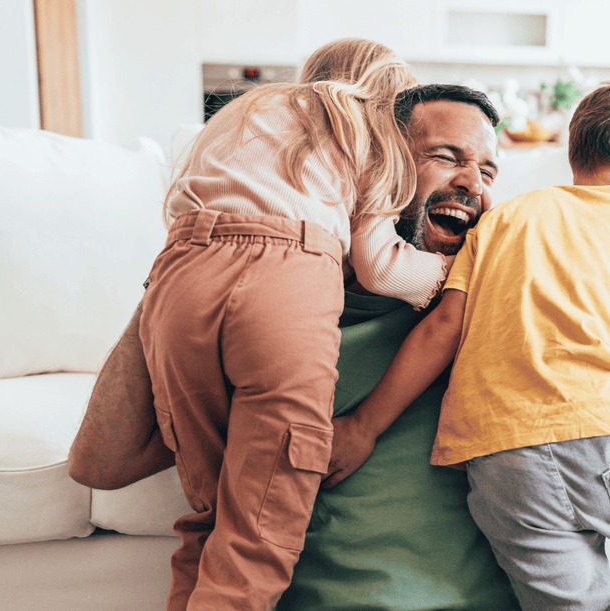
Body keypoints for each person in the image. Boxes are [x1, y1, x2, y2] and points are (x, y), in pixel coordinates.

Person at [68, 74, 610, 611]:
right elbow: (104, 462)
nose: (474, 183)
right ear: (371, 165)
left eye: (487, 167)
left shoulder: (500, 283)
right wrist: (190, 264)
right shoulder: (287, 310)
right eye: (446, 156)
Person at [325, 80, 610, 611]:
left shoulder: (502, 220)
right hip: (605, 439)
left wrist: (363, 427)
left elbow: (441, 330)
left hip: (499, 463)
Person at [137, 38, 450, 611]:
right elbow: (379, 267)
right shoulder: (369, 123)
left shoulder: (247, 113)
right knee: (261, 526)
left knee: (211, 514)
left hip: (178, 280)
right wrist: (457, 271)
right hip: (285, 276)